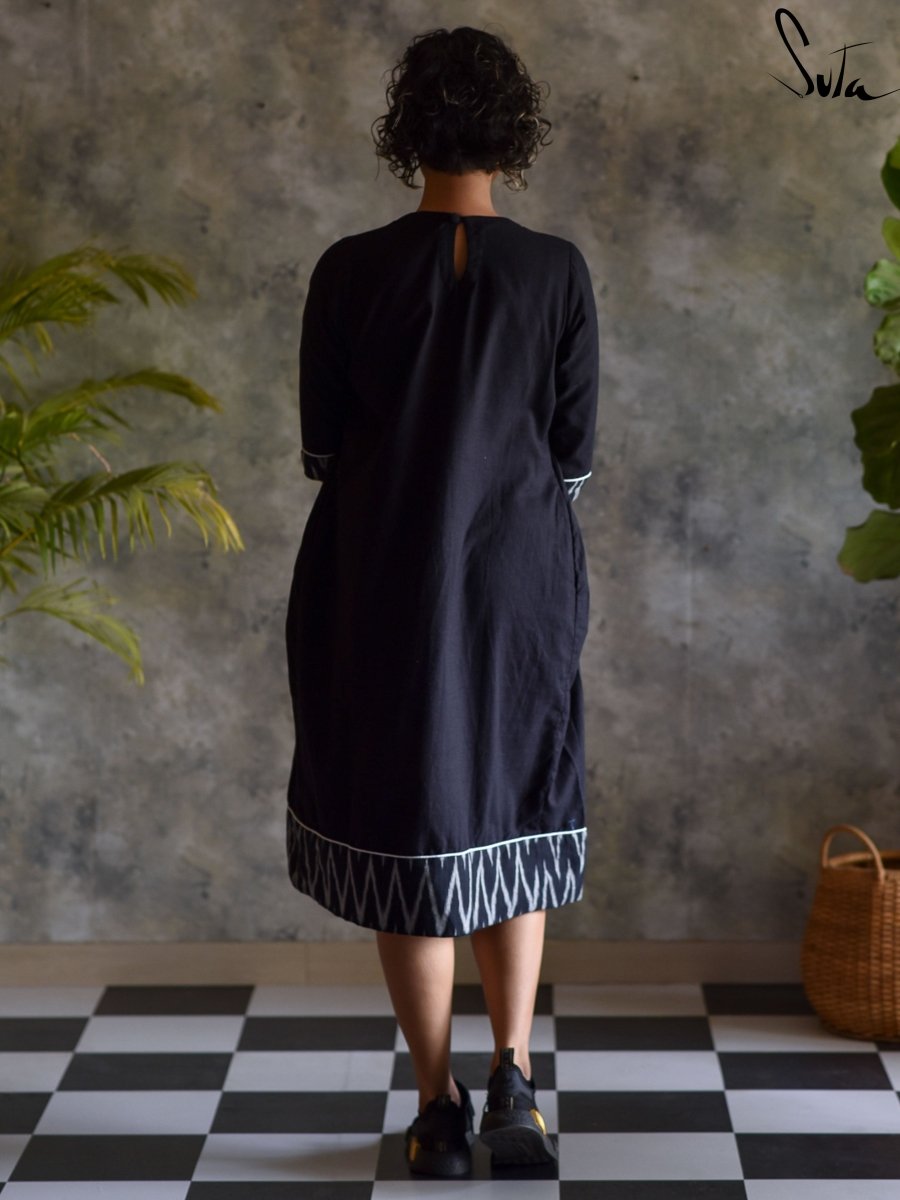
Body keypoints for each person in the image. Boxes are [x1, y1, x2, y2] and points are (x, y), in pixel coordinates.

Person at [284, 24, 599, 1178]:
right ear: (515, 135)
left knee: (407, 821)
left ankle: (436, 1111)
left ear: (407, 130)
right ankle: (516, 1080)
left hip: (380, 577)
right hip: (520, 579)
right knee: (514, 803)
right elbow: (571, 455)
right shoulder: (556, 272)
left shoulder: (348, 269)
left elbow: (324, 449)